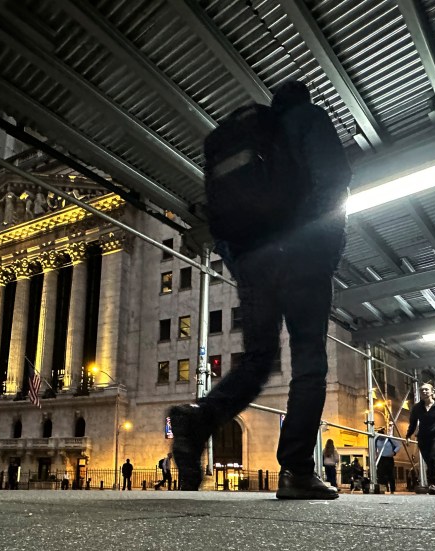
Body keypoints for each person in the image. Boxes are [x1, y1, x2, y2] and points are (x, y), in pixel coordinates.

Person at [169, 80, 351, 500]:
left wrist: (245, 265)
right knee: (308, 358)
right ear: (303, 98)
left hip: (253, 261)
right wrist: (325, 250)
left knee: (258, 357)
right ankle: (296, 472)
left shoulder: (252, 139)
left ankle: (198, 418)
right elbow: (334, 180)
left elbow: (222, 221)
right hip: (303, 254)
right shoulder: (308, 119)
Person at [406, 382, 435, 495]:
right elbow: (412, 423)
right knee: (429, 462)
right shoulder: (417, 408)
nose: (424, 392)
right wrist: (408, 435)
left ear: (432, 392)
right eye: (422, 390)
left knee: (434, 458)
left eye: (426, 390)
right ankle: (434, 482)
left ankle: (433, 484)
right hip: (423, 437)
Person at [375, 428, 400, 494]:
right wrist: (376, 456)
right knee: (380, 474)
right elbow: (375, 449)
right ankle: (383, 488)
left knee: (390, 474)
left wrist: (394, 452)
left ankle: (392, 489)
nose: (381, 438)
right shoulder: (376, 440)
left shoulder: (389, 439)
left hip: (389, 458)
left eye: (382, 436)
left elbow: (398, 446)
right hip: (381, 458)